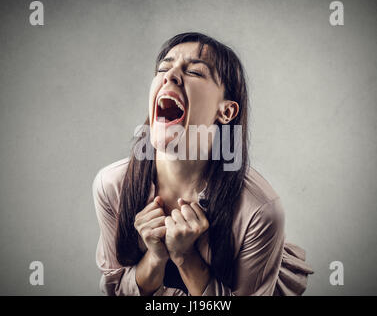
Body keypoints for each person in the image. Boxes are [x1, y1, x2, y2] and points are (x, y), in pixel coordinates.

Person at [92, 32, 314, 296]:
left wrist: (185, 256)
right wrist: (155, 256)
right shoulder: (111, 185)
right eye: (164, 67)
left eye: (195, 72)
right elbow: (116, 290)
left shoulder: (259, 210)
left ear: (226, 111)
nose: (170, 76)